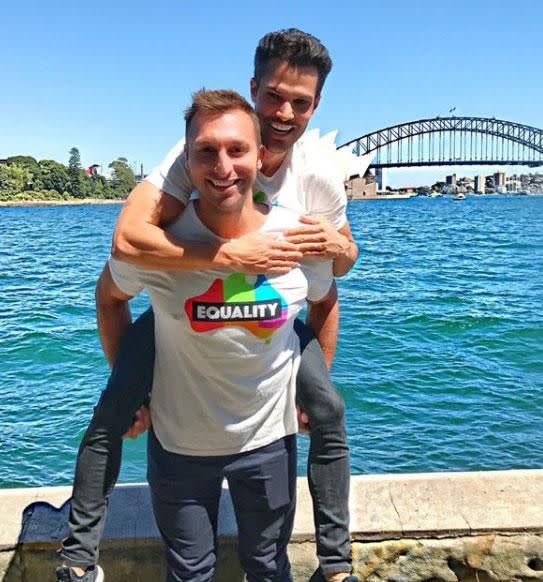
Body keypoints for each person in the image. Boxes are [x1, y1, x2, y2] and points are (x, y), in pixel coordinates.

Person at [58, 29, 359, 582]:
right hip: (184, 297)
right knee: (115, 408)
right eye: (273, 95)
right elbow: (126, 241)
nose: (285, 112)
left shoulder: (318, 176)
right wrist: (225, 255)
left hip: (272, 324)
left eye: (301, 101)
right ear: (253, 88)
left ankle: (336, 566)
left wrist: (343, 249)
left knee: (329, 410)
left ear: (317, 105)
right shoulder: (194, 151)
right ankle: (78, 560)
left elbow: (336, 269)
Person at [112, 89, 332, 581]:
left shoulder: (296, 236)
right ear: (185, 162)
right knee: (189, 574)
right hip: (178, 446)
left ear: (261, 156)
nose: (223, 166)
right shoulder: (161, 244)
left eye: (237, 150)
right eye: (206, 151)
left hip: (270, 442)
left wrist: (312, 389)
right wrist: (131, 392)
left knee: (270, 569)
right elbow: (109, 298)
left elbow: (325, 298)